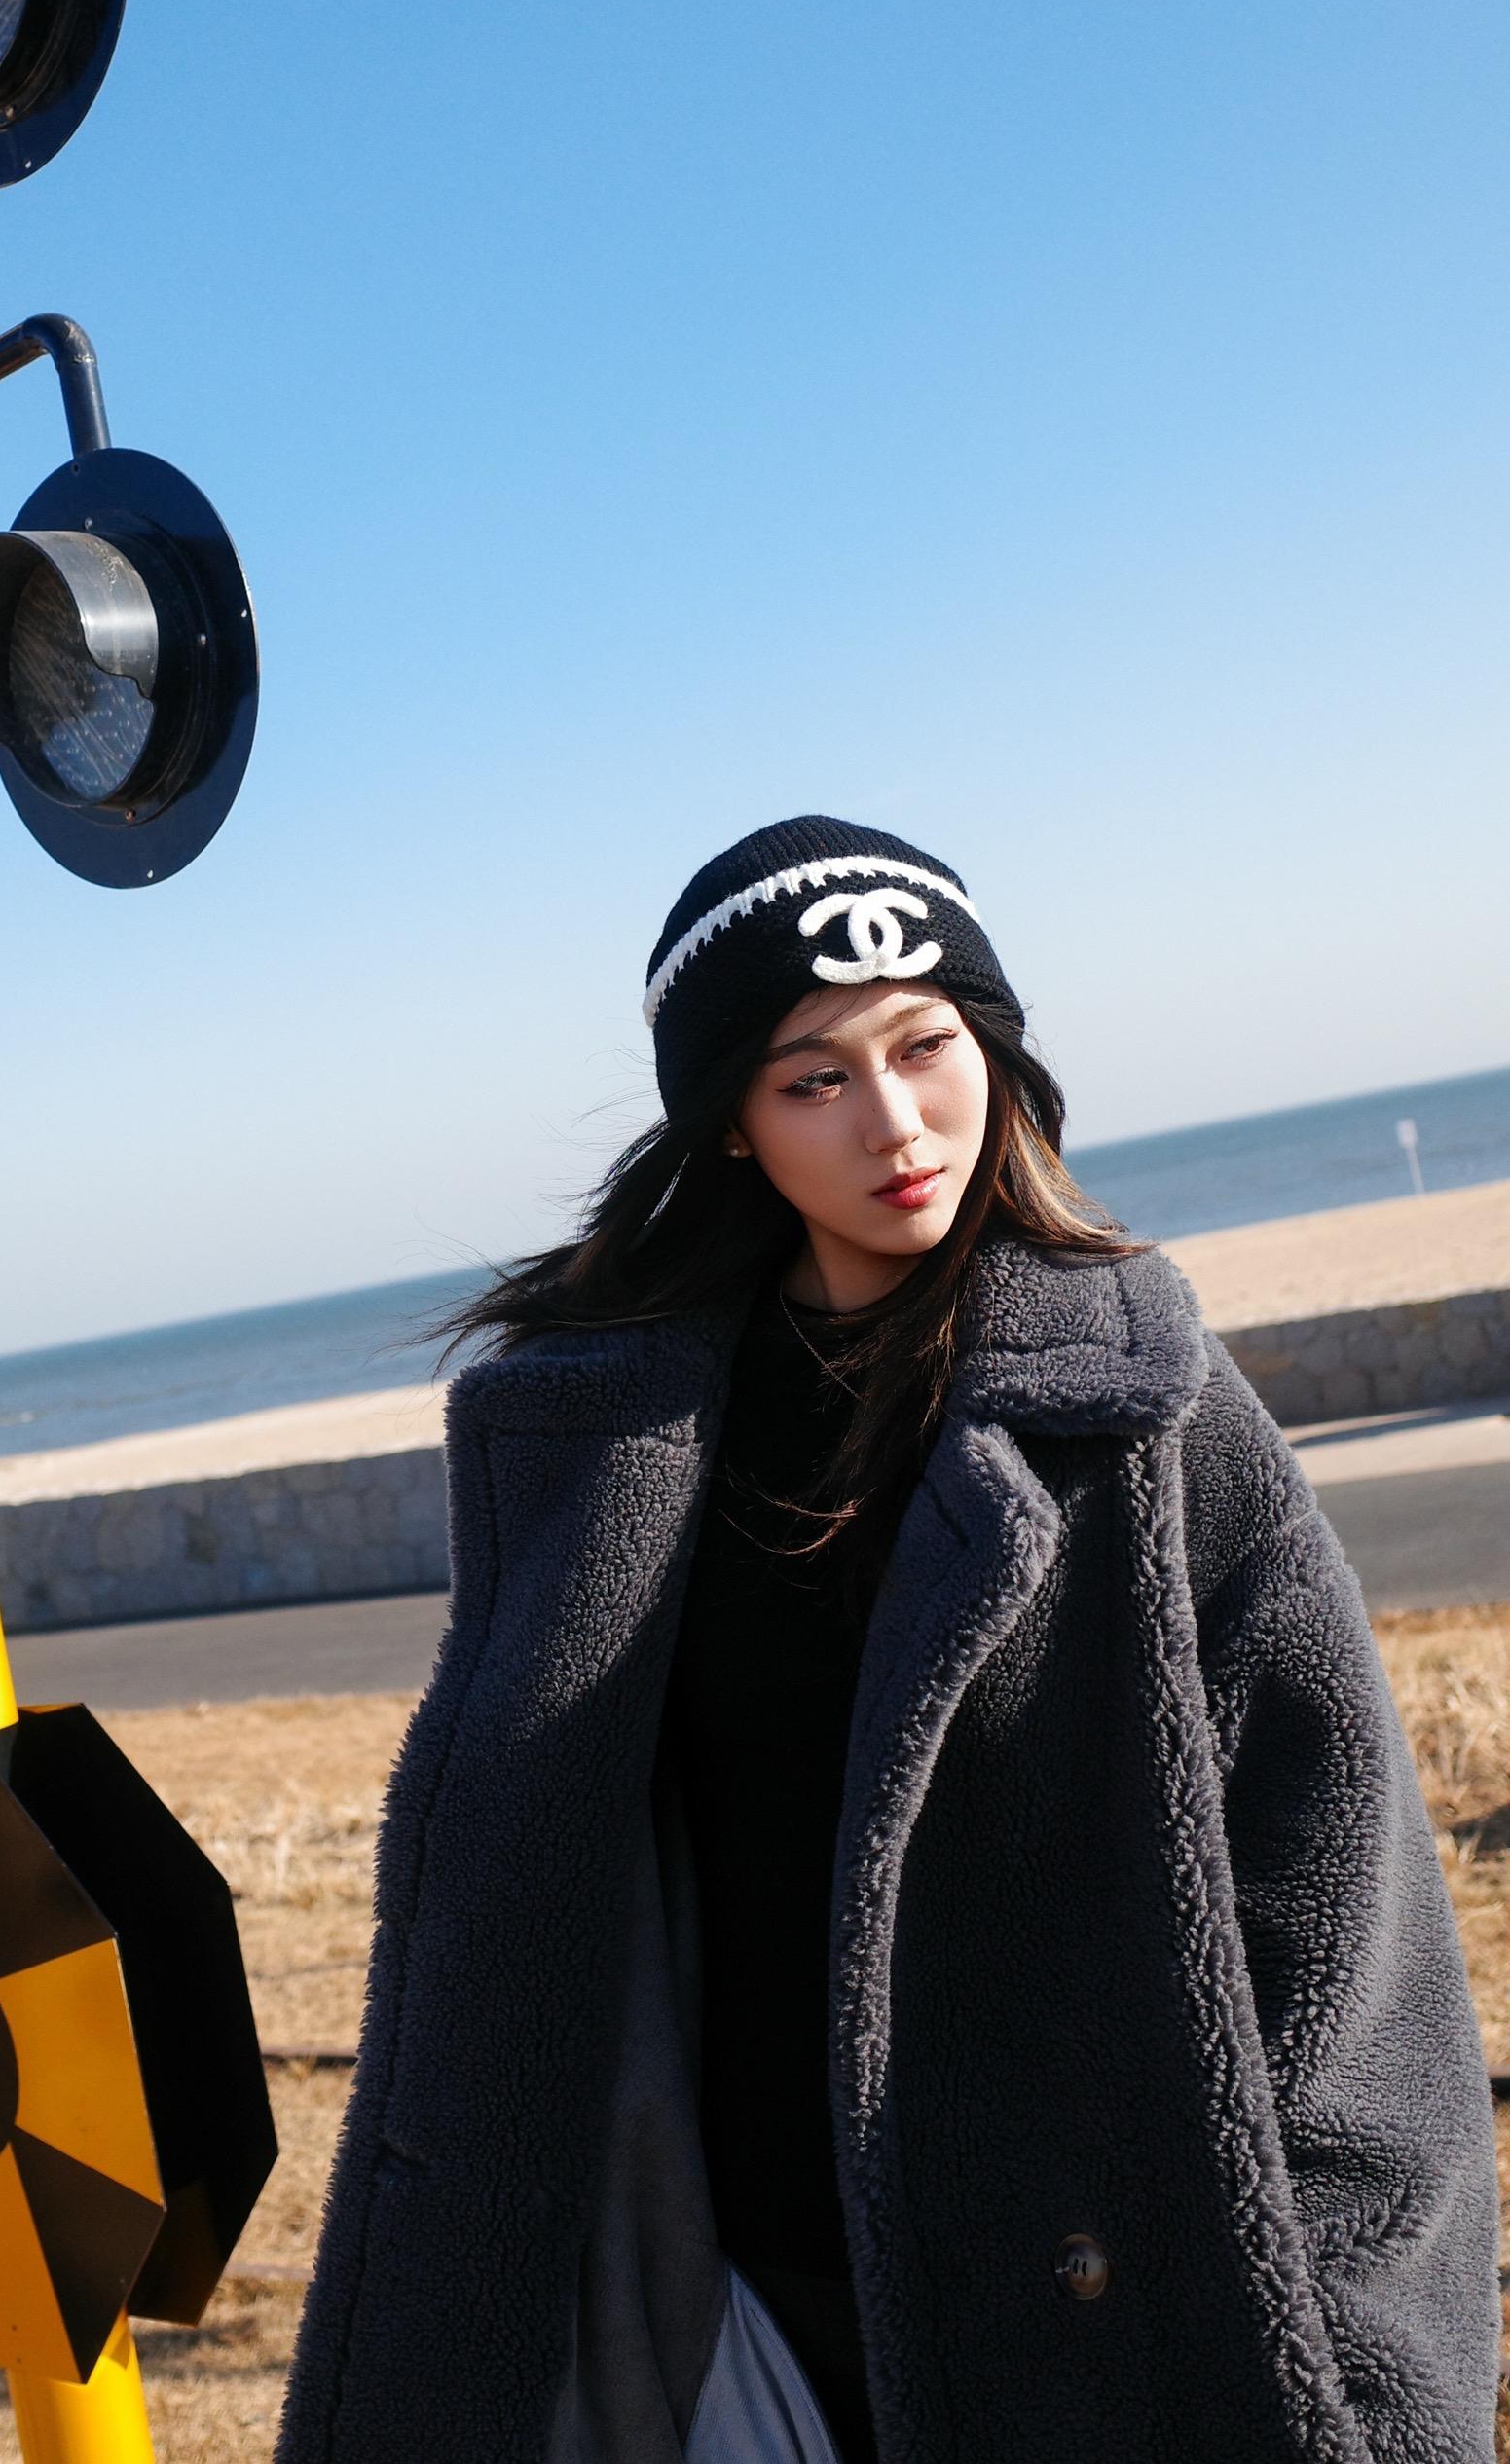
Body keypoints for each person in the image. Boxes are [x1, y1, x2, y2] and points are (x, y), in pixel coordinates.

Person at [276, 815, 1501, 2464]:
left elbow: (1350, 1934)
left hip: (1095, 2324)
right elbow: (501, 1939)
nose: (896, 1121)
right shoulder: (609, 1450)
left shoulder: (1141, 1414)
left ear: (992, 1048)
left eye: (926, 1045)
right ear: (732, 1127)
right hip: (728, 2317)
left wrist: (1378, 2385)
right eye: (815, 1079)